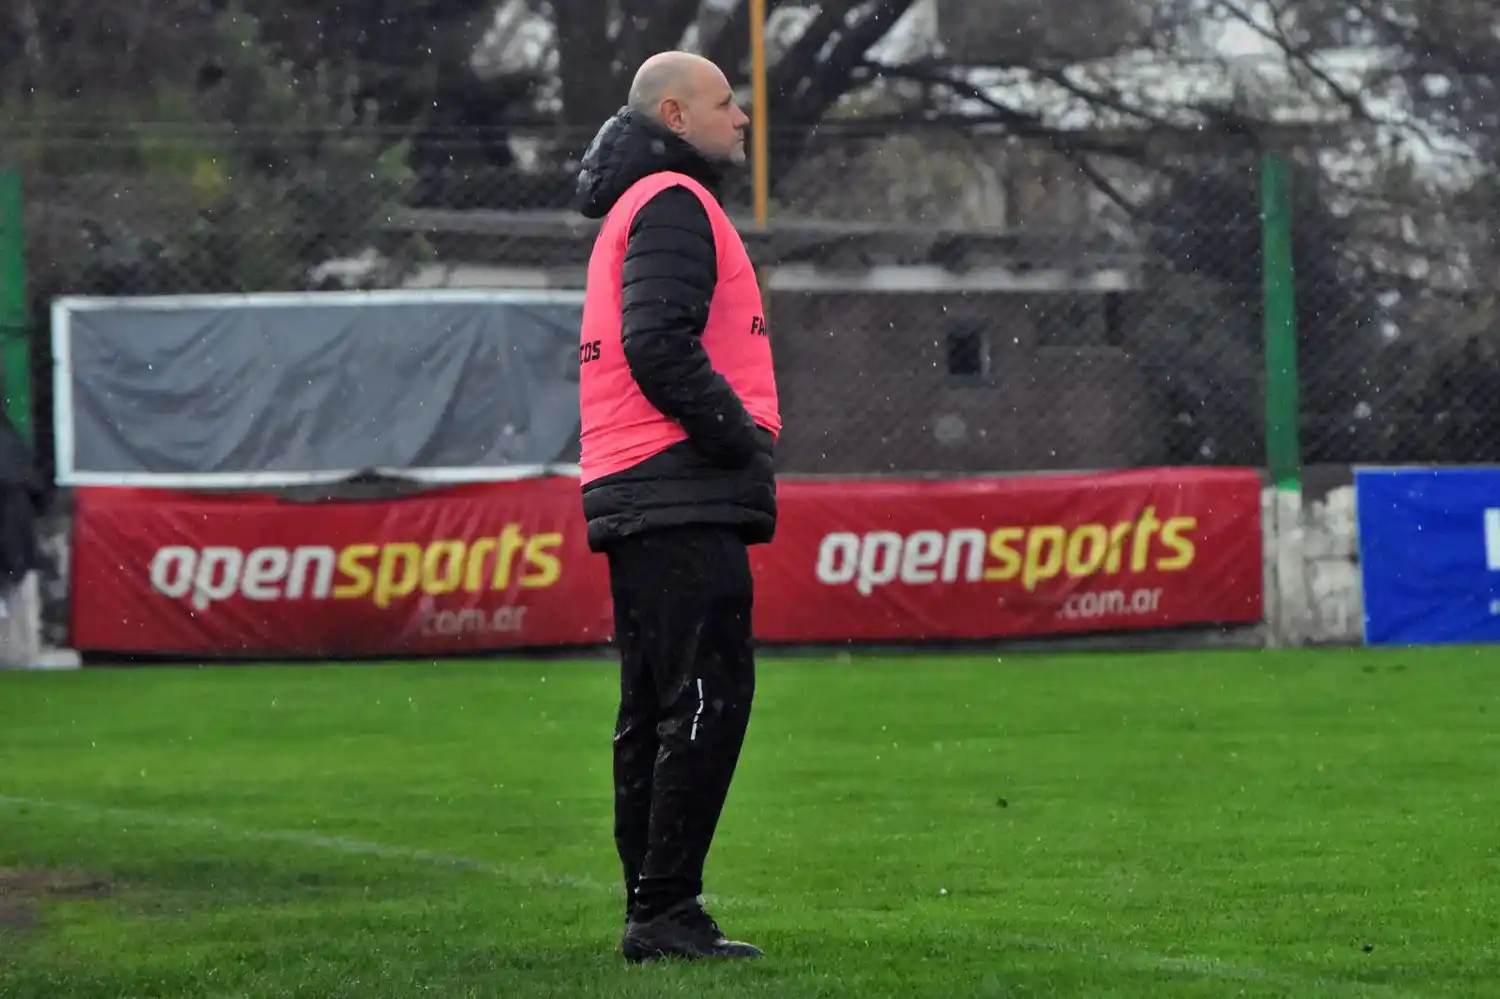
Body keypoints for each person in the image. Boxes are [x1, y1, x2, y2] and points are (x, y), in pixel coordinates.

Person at [572, 50, 780, 964]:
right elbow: (658, 341)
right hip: (676, 480)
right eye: (726, 103)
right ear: (675, 114)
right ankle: (665, 908)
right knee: (707, 693)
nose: (741, 118)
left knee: (656, 702)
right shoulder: (675, 203)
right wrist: (737, 439)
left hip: (637, 480)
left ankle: (653, 909)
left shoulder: (635, 203)